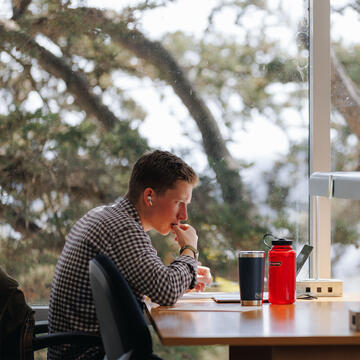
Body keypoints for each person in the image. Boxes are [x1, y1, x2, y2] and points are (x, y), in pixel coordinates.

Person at [48, 149, 212, 360]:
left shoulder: (108, 217)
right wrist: (189, 250)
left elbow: (152, 283)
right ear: (149, 196)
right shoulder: (123, 228)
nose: (184, 215)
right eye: (178, 203)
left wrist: (188, 277)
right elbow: (167, 290)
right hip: (91, 355)